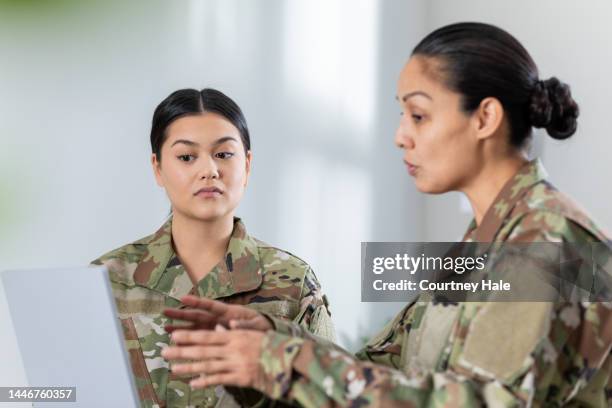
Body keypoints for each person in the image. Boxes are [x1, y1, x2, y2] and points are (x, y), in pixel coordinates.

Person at [160, 23, 612, 407]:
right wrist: (271, 338)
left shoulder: (546, 241)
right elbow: (389, 369)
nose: (401, 136)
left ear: (485, 118)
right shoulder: (485, 242)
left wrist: (283, 361)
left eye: (418, 115)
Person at [91, 88, 336, 408]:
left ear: (247, 165)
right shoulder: (104, 281)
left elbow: (332, 397)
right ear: (158, 168)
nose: (209, 170)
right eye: (186, 157)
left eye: (223, 154)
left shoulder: (293, 282)